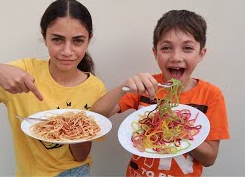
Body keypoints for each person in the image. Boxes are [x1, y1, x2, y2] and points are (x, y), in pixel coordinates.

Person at [0, 0, 107, 176]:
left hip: (76, 172)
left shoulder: (96, 87)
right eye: (57, 39)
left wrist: (74, 129)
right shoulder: (23, 72)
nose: (67, 51)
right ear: (44, 37)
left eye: (77, 41)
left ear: (89, 40)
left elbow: (80, 156)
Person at [91, 10, 230, 176]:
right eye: (166, 48)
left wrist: (178, 129)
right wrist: (124, 87)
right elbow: (96, 115)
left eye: (187, 48)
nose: (176, 57)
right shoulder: (147, 86)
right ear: (155, 53)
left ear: (201, 54)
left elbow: (209, 158)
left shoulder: (211, 95)